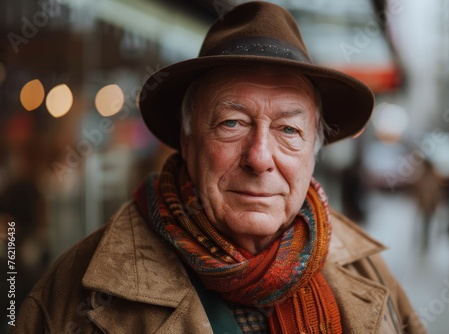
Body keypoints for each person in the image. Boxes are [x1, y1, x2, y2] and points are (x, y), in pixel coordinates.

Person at [12, 2, 425, 333]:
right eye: (232, 123)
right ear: (188, 141)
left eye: (288, 129)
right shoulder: (74, 294)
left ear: (313, 152)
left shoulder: (368, 272)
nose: (260, 158)